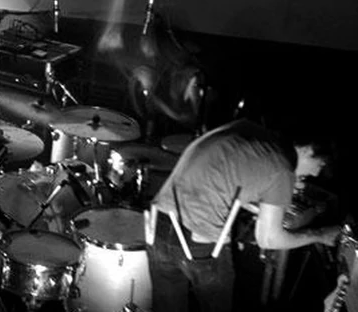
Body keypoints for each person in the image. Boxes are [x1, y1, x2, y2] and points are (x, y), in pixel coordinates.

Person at [145, 118, 340, 312]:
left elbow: (225, 176)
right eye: (320, 164)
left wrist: (278, 191)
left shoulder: (245, 128)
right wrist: (320, 235)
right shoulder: (282, 168)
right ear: (307, 149)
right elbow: (269, 239)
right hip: (199, 243)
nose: (316, 173)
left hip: (158, 226)